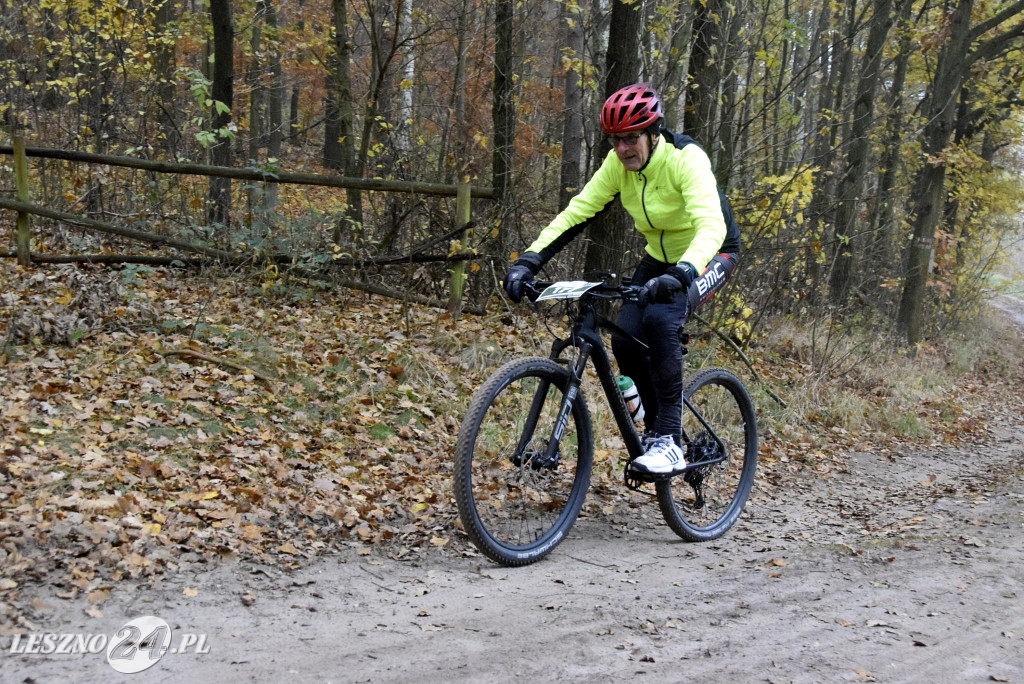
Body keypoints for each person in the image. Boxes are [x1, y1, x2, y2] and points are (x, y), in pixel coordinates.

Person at [503, 82, 741, 476]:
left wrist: (684, 272)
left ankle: (670, 442)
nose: (622, 149)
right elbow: (577, 212)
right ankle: (656, 428)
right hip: (659, 257)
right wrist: (529, 260)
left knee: (662, 319)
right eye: (615, 140)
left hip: (712, 252)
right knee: (625, 337)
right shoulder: (617, 165)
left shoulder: (686, 158)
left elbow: (711, 225)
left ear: (652, 132)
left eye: (631, 138)